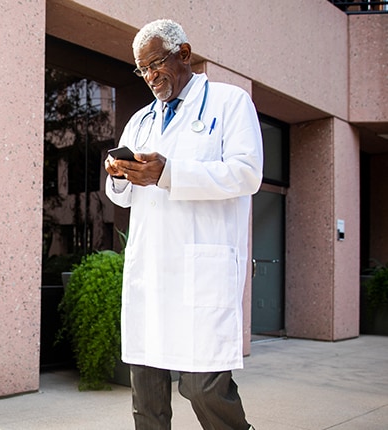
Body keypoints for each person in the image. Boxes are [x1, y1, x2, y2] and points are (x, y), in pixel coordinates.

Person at [104, 19, 263, 430]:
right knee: (147, 397)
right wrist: (120, 175)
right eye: (143, 69)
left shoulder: (230, 102)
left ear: (185, 54)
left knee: (204, 387)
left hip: (200, 271)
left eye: (157, 63)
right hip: (152, 273)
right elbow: (120, 196)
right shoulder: (140, 121)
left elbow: (247, 174)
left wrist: (168, 173)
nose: (152, 76)